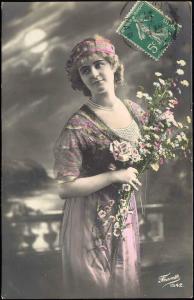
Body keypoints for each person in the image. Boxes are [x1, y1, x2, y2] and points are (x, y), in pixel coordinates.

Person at [54, 35, 146, 298]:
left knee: (125, 283)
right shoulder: (78, 124)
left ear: (113, 65)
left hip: (123, 213)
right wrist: (115, 175)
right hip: (88, 218)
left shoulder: (135, 111)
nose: (94, 74)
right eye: (85, 70)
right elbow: (65, 187)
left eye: (99, 64)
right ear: (79, 79)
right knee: (97, 288)